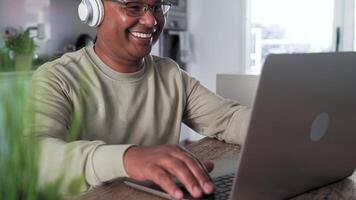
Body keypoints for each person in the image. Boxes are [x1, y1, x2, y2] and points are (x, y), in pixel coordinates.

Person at [25, 0, 251, 199]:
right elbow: (39, 157)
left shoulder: (171, 75)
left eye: (156, 7)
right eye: (133, 6)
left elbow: (229, 118)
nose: (151, 20)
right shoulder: (57, 77)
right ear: (94, 10)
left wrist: (279, 130)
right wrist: (128, 158)